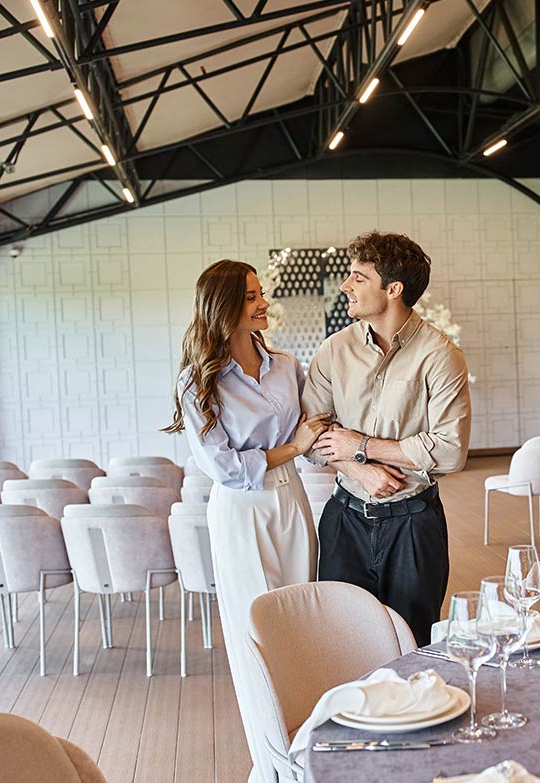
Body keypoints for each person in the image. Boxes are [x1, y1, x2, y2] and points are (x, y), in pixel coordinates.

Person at [164, 259, 329, 783]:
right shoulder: (197, 381)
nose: (263, 304)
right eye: (252, 296)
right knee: (257, 636)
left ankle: (308, 753)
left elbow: (315, 430)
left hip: (293, 503)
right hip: (240, 514)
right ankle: (273, 764)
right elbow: (226, 469)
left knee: (302, 623)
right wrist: (292, 447)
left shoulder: (285, 363)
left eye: (262, 294)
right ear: (224, 306)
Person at [302, 231, 471, 646]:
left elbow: (450, 451)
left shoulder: (441, 355)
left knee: (412, 643)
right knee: (343, 642)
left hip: (414, 524)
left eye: (358, 278)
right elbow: (311, 435)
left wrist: (360, 446)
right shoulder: (333, 350)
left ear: (393, 289)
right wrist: (359, 472)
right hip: (344, 521)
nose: (346, 286)